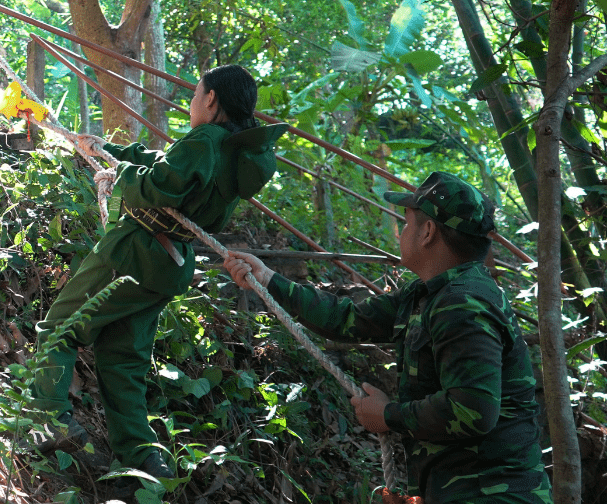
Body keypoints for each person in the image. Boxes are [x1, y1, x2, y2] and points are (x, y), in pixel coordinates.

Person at [32, 65, 287, 490]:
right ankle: (144, 464)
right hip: (168, 263)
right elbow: (169, 166)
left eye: (194, 94)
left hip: (134, 249)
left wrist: (119, 175)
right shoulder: (235, 150)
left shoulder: (205, 138)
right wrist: (112, 150)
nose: (190, 103)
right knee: (123, 361)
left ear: (211, 99)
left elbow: (161, 184)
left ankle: (47, 423)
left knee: (59, 329)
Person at [222, 173, 550, 503]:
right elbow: (348, 319)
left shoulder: (463, 304)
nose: (402, 233)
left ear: (428, 232)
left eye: (406, 224)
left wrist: (388, 415)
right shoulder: (429, 295)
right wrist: (268, 279)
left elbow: (473, 408)